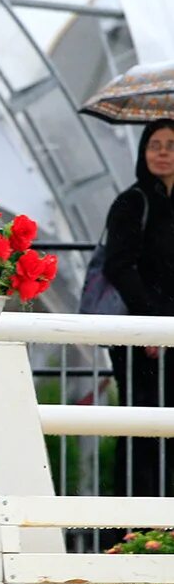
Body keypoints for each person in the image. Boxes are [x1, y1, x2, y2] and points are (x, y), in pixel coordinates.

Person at [102, 118, 174, 500]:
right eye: (154, 144)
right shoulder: (133, 202)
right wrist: (152, 324)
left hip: (170, 335)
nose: (162, 152)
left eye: (171, 145)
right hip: (139, 335)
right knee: (141, 429)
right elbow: (119, 266)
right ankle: (133, 530)